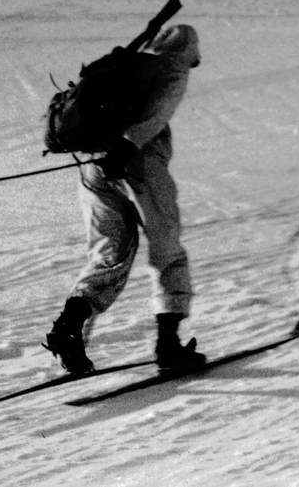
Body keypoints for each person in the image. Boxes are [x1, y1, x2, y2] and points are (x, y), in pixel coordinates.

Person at [44, 24, 207, 375]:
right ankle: (169, 346)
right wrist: (127, 148)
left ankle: (68, 329)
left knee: (108, 254)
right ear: (187, 50)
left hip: (92, 166)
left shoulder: (130, 66)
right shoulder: (171, 70)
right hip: (138, 164)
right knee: (167, 250)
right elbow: (155, 117)